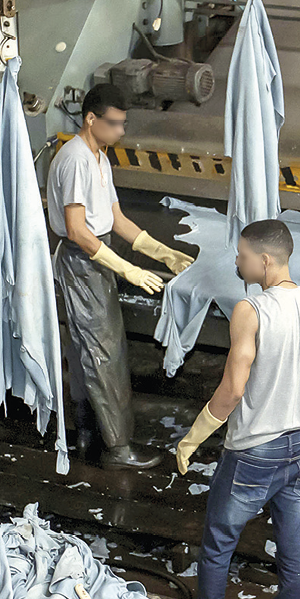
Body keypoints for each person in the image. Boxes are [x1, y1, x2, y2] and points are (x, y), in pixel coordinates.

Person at [175, 219, 300, 599]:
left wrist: (193, 437)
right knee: (294, 553)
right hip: (296, 453)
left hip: (251, 453)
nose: (236, 261)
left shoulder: (251, 310)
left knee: (217, 548)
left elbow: (232, 388)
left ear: (264, 261)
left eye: (242, 255)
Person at [48, 83, 194, 469]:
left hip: (97, 257)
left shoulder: (100, 158)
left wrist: (163, 252)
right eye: (114, 124)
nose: (121, 132)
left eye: (124, 123)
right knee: (104, 353)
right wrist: (128, 268)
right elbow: (78, 230)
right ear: (91, 119)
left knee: (94, 351)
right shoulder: (76, 159)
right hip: (83, 262)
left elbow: (116, 219)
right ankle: (118, 450)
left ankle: (87, 433)